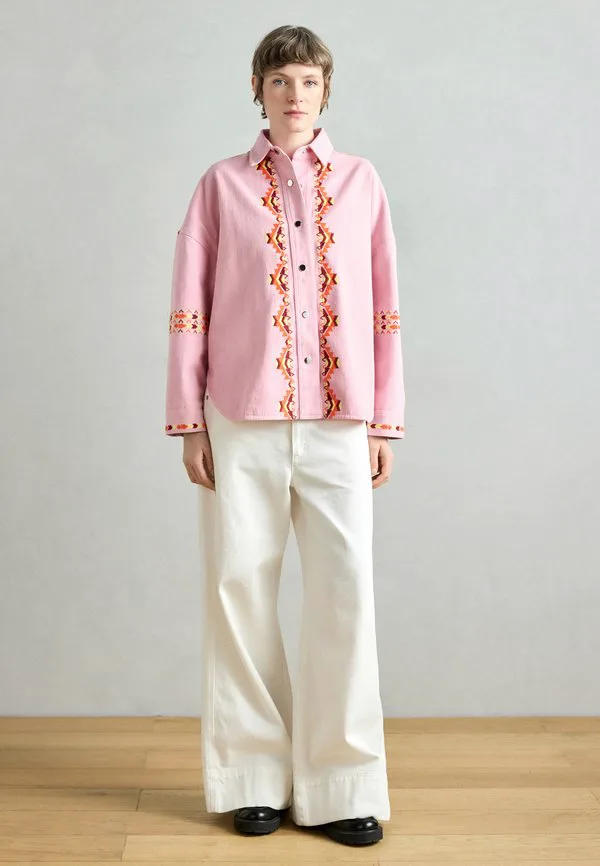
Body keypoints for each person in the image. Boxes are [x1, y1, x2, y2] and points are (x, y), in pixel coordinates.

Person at [165, 24, 405, 847]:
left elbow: (384, 307)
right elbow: (189, 307)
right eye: (279, 81)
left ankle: (342, 785)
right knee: (239, 591)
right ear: (257, 91)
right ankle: (253, 779)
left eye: (307, 81)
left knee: (344, 592)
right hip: (241, 418)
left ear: (325, 90)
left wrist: (385, 422)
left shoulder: (362, 183)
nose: (294, 95)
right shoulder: (220, 186)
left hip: (341, 420)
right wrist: (189, 422)